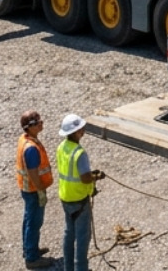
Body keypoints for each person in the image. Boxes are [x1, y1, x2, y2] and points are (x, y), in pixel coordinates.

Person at [56, 113, 105, 271]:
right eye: (81, 128)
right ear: (77, 132)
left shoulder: (62, 147)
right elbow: (84, 178)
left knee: (69, 235)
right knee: (82, 239)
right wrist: (95, 177)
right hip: (79, 200)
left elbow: (70, 173)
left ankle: (68, 268)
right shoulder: (79, 153)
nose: (83, 130)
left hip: (66, 197)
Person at [16, 111, 54, 270]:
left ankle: (29, 250)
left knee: (28, 219)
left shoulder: (25, 139)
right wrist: (40, 190)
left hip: (27, 189)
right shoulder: (31, 148)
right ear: (29, 128)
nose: (41, 123)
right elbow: (33, 172)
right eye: (37, 122)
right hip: (33, 190)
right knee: (34, 222)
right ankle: (32, 258)